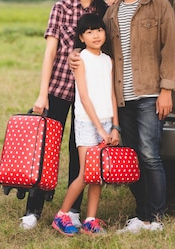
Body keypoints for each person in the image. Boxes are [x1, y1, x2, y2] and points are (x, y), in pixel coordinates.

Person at [70, 0, 175, 233]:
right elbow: (97, 47)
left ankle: (155, 218)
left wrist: (167, 89)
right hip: (120, 99)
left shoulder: (159, 5)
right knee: (130, 158)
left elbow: (171, 48)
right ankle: (140, 214)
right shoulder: (111, 12)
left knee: (150, 155)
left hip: (148, 95)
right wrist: (76, 55)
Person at [19, 0, 107, 230]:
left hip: (88, 94)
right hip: (59, 85)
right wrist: (42, 93)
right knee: (46, 149)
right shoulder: (61, 7)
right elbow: (50, 52)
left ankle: (73, 212)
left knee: (79, 150)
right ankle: (33, 209)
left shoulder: (105, 9)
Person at [52, 13, 120, 236]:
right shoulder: (81, 59)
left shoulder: (107, 60)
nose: (95, 35)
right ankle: (62, 216)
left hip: (106, 121)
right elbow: (83, 96)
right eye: (89, 32)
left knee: (97, 174)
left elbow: (111, 94)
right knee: (85, 173)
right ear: (81, 37)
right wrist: (99, 128)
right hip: (86, 123)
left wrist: (114, 127)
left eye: (99, 30)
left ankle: (91, 220)